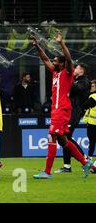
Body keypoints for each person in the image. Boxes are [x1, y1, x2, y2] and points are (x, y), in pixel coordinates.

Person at [31, 31, 94, 179]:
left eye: (55, 61)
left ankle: (47, 172)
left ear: (62, 63)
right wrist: (37, 46)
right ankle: (85, 162)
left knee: (51, 136)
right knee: (63, 140)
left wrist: (61, 43)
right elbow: (44, 58)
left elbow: (68, 58)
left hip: (62, 110)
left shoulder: (68, 73)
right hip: (57, 109)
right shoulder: (55, 73)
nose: (52, 62)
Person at [55, 63, 90, 173]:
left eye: (78, 68)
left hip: (74, 113)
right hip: (69, 111)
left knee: (66, 138)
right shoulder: (76, 79)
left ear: (82, 71)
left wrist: (68, 80)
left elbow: (77, 89)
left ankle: (85, 159)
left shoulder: (84, 81)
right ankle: (67, 166)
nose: (75, 69)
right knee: (64, 138)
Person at [82, 80, 96, 160]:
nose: (91, 87)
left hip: (92, 123)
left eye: (93, 86)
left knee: (92, 142)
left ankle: (89, 160)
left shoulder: (93, 96)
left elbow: (84, 106)